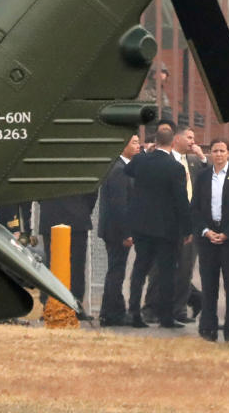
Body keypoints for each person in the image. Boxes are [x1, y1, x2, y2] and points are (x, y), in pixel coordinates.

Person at [125, 125, 192, 328]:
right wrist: (187, 228)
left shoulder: (141, 160)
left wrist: (146, 151)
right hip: (166, 229)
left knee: (139, 269)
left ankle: (134, 312)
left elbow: (128, 169)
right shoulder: (175, 167)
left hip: (142, 226)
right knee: (166, 272)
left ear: (155, 141)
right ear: (173, 143)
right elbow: (181, 201)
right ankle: (165, 316)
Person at [143, 124, 207, 324]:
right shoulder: (162, 160)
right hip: (166, 224)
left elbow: (207, 182)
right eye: (188, 137)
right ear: (176, 139)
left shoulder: (194, 162)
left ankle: (178, 309)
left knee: (185, 268)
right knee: (159, 267)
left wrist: (204, 159)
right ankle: (152, 308)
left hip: (189, 223)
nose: (192, 141)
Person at [190, 138, 229, 343]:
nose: (218, 154)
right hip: (208, 237)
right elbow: (195, 208)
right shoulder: (203, 176)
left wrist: (228, 233)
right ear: (210, 153)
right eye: (215, 151)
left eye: (222, 150)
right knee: (209, 286)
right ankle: (208, 328)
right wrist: (206, 231)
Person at [96, 133, 139, 326]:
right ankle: (109, 313)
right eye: (135, 143)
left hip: (113, 229)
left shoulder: (120, 167)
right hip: (117, 232)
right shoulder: (119, 170)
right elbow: (120, 205)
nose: (138, 146)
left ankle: (115, 309)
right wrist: (127, 233)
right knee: (116, 271)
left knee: (116, 270)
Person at [39, 191, 98, 313]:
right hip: (77, 216)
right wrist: (84, 208)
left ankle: (50, 304)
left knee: (52, 264)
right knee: (76, 265)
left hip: (51, 214)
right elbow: (92, 190)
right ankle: (75, 304)